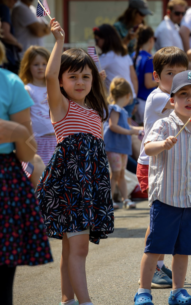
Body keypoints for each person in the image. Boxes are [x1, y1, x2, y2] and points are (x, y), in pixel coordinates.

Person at [36, 19, 114, 305]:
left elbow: (96, 161)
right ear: (61, 81)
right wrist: (58, 42)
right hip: (70, 188)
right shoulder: (62, 107)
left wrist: (99, 78)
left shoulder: (94, 113)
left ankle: (67, 300)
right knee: (79, 249)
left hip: (88, 189)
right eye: (73, 77)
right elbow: (49, 75)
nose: (80, 82)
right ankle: (85, 302)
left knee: (73, 250)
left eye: (86, 77)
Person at [134, 70, 191, 305]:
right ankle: (143, 291)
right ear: (172, 100)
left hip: (189, 201)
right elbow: (147, 148)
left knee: (183, 250)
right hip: (165, 199)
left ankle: (178, 291)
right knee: (155, 248)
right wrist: (162, 144)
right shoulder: (164, 125)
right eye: (184, 94)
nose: (190, 100)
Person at [0, 40, 53, 305]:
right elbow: (25, 148)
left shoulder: (11, 83)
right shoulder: (11, 83)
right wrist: (21, 134)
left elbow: (25, 149)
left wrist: (22, 136)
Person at [104, 77, 142, 210]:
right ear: (127, 95)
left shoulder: (123, 111)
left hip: (121, 148)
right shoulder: (115, 109)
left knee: (121, 174)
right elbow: (113, 126)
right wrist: (131, 132)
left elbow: (128, 127)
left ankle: (125, 199)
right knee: (115, 174)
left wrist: (140, 129)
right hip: (114, 147)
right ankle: (108, 200)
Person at [19, 46, 57, 166]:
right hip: (37, 141)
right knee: (38, 174)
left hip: (56, 139)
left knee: (55, 176)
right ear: (28, 66)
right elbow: (24, 119)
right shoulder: (27, 89)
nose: (40, 67)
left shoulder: (54, 88)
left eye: (44, 64)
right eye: (36, 64)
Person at [94, 24, 138, 111]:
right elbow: (134, 78)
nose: (96, 43)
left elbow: (93, 74)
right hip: (130, 96)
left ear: (105, 39)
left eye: (97, 40)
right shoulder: (124, 55)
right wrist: (134, 97)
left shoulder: (106, 57)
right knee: (126, 124)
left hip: (118, 99)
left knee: (115, 124)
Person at [132, 25, 157, 124]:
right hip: (145, 101)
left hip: (135, 100)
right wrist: (160, 82)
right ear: (151, 39)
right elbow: (148, 83)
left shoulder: (133, 55)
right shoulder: (149, 58)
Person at [0, 0, 22, 73]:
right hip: (5, 57)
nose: (16, 1)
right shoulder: (4, 8)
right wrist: (18, 44)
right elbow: (5, 34)